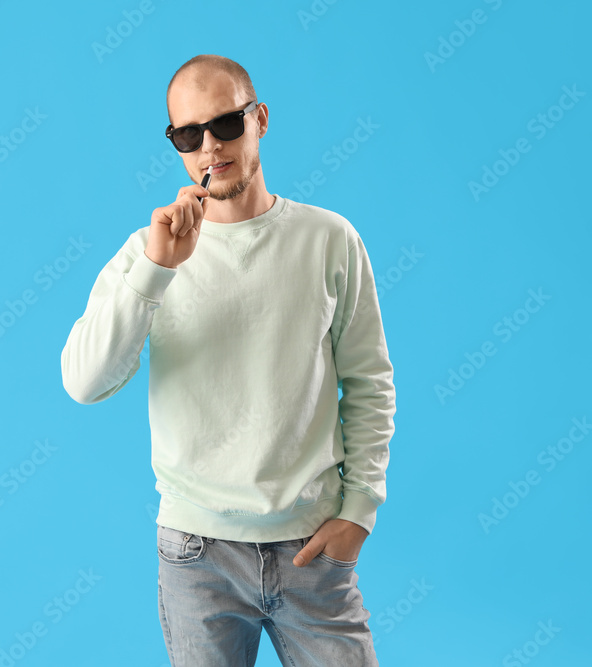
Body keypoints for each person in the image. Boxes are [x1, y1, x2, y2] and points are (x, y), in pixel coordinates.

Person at [60, 54, 395, 666]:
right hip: (197, 555)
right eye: (188, 135)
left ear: (259, 119)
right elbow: (84, 382)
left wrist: (359, 513)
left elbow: (369, 382)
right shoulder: (149, 251)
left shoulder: (329, 239)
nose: (210, 147)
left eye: (226, 125)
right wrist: (158, 270)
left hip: (312, 548)